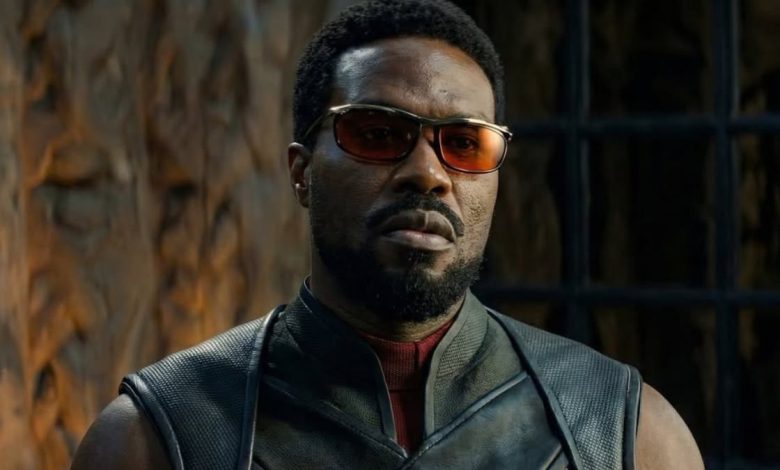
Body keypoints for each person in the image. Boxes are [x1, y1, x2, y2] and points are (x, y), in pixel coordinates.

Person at [71, 1, 704, 468]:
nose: (428, 174)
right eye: (377, 134)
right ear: (302, 172)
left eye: (465, 144)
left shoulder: (622, 434)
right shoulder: (159, 438)